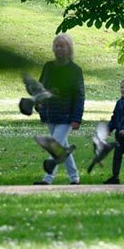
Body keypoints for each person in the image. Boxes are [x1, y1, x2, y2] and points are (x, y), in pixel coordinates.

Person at [34, 33, 85, 185]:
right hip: (50, 113)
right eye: (56, 46)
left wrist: (76, 119)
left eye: (62, 46)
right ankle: (74, 177)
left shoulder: (75, 70)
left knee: (54, 146)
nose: (59, 49)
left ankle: (48, 178)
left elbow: (79, 96)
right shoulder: (48, 67)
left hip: (66, 116)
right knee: (63, 146)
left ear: (69, 49)